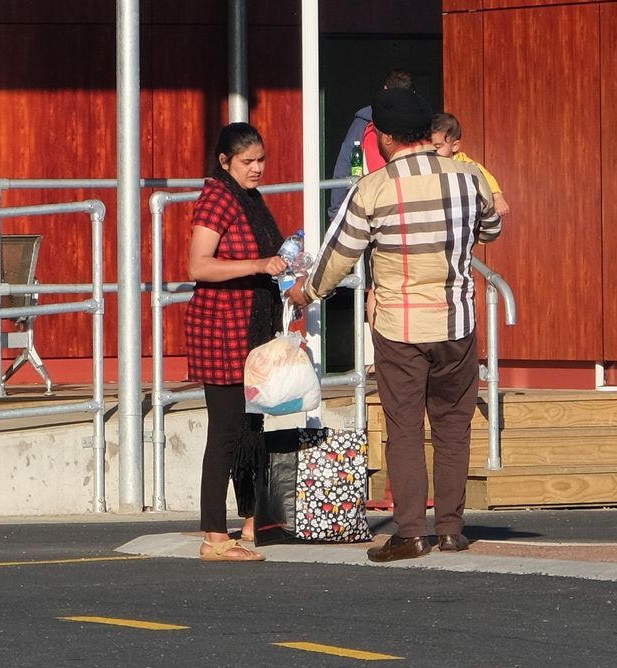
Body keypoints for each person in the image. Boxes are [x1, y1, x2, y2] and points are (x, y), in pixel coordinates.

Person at [287, 87, 500, 562]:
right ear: (428, 130)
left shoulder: (375, 188)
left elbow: (340, 254)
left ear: (383, 138)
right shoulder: (469, 178)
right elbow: (491, 229)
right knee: (453, 426)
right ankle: (450, 529)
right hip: (457, 321)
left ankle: (410, 532)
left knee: (404, 428)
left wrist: (307, 291)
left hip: (400, 324)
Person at [185, 122, 290, 562]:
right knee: (226, 430)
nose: (258, 168)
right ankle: (213, 535)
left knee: (253, 428)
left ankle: (251, 518)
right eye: (248, 161)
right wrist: (258, 264)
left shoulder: (251, 200)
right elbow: (199, 266)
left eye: (262, 160)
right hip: (222, 330)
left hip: (253, 327)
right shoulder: (216, 198)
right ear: (225, 162)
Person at [328, 68, 412, 213]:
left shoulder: (363, 123)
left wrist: (336, 212)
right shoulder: (419, 125)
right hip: (406, 206)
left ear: (385, 89)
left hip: (373, 206)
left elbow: (343, 167)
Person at [429, 111, 511, 216]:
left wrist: (498, 198)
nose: (433, 151)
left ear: (455, 146)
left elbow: (487, 177)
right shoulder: (430, 161)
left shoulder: (465, 164)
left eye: (437, 147)